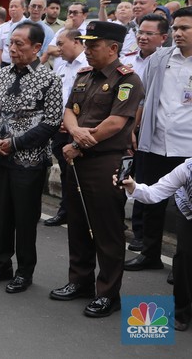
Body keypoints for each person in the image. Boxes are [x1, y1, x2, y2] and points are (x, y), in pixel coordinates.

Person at [50, 21, 144, 318]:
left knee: (107, 229)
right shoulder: (84, 75)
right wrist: (75, 132)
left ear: (113, 48)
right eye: (86, 45)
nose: (87, 51)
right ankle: (80, 281)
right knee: (78, 223)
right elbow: (68, 110)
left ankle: (108, 293)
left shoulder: (127, 79)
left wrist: (77, 143)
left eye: (93, 45)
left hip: (105, 161)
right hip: (77, 159)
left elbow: (116, 123)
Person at [0, 21, 63, 293]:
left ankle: (24, 272)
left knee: (25, 220)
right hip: (1, 158)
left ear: (37, 48)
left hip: (30, 162)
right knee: (2, 217)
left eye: (19, 44)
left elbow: (50, 123)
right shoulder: (1, 75)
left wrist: (13, 143)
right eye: (11, 43)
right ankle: (0, 265)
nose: (12, 49)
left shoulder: (50, 78)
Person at [125, 7, 192, 274]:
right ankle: (149, 254)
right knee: (151, 202)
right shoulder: (160, 58)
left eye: (184, 28)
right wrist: (134, 127)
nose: (178, 33)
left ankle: (183, 267)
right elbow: (143, 96)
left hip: (187, 148)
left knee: (186, 211)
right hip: (154, 142)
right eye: (175, 28)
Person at [117, 157, 192, 331]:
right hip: (189, 210)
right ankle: (181, 311)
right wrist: (133, 187)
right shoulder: (186, 169)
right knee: (185, 255)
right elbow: (154, 193)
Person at [44, 29, 88, 227]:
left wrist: (70, 123)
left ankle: (78, 213)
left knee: (79, 174)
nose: (57, 49)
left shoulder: (87, 65)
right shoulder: (61, 65)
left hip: (78, 129)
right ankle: (66, 210)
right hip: (59, 128)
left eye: (61, 44)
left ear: (76, 42)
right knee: (65, 172)